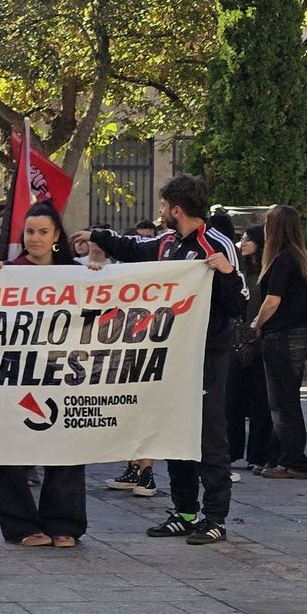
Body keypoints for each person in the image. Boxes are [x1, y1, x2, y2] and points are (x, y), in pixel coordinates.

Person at [76, 175, 244, 545]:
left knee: (209, 436)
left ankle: (215, 517)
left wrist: (227, 274)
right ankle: (184, 512)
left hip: (207, 356)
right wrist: (96, 236)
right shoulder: (167, 242)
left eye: (164, 206)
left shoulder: (217, 245)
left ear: (177, 209)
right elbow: (133, 249)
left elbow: (240, 304)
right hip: (170, 354)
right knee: (175, 433)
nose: (161, 212)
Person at [0, 203, 88, 547]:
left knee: (67, 446)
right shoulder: (8, 271)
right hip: (15, 371)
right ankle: (21, 525)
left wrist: (103, 277)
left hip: (63, 370)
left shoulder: (76, 272)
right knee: (10, 449)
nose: (36, 238)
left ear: (57, 235)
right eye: (30, 231)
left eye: (43, 231)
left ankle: (64, 524)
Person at [252, 205, 307, 480]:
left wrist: (256, 323)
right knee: (286, 399)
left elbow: (272, 301)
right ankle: (279, 458)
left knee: (282, 402)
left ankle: (293, 462)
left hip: (282, 336)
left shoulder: (282, 259)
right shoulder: (299, 257)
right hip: (298, 335)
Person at [226, 223, 273, 472]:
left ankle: (258, 453)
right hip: (238, 339)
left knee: (260, 399)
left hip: (261, 338)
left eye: (247, 240)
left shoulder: (268, 270)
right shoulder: (238, 269)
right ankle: (232, 450)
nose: (242, 243)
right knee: (232, 397)